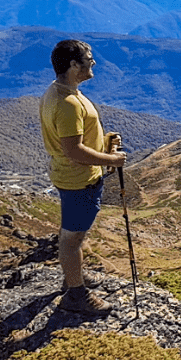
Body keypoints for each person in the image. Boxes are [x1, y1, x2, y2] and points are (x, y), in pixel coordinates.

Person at [40, 39, 126, 315]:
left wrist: (104, 142)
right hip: (78, 179)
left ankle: (73, 275)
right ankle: (76, 294)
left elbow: (76, 141)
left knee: (75, 233)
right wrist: (112, 160)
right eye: (89, 58)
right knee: (72, 237)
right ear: (74, 65)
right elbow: (74, 151)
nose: (94, 62)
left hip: (75, 176)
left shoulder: (63, 92)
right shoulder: (67, 103)